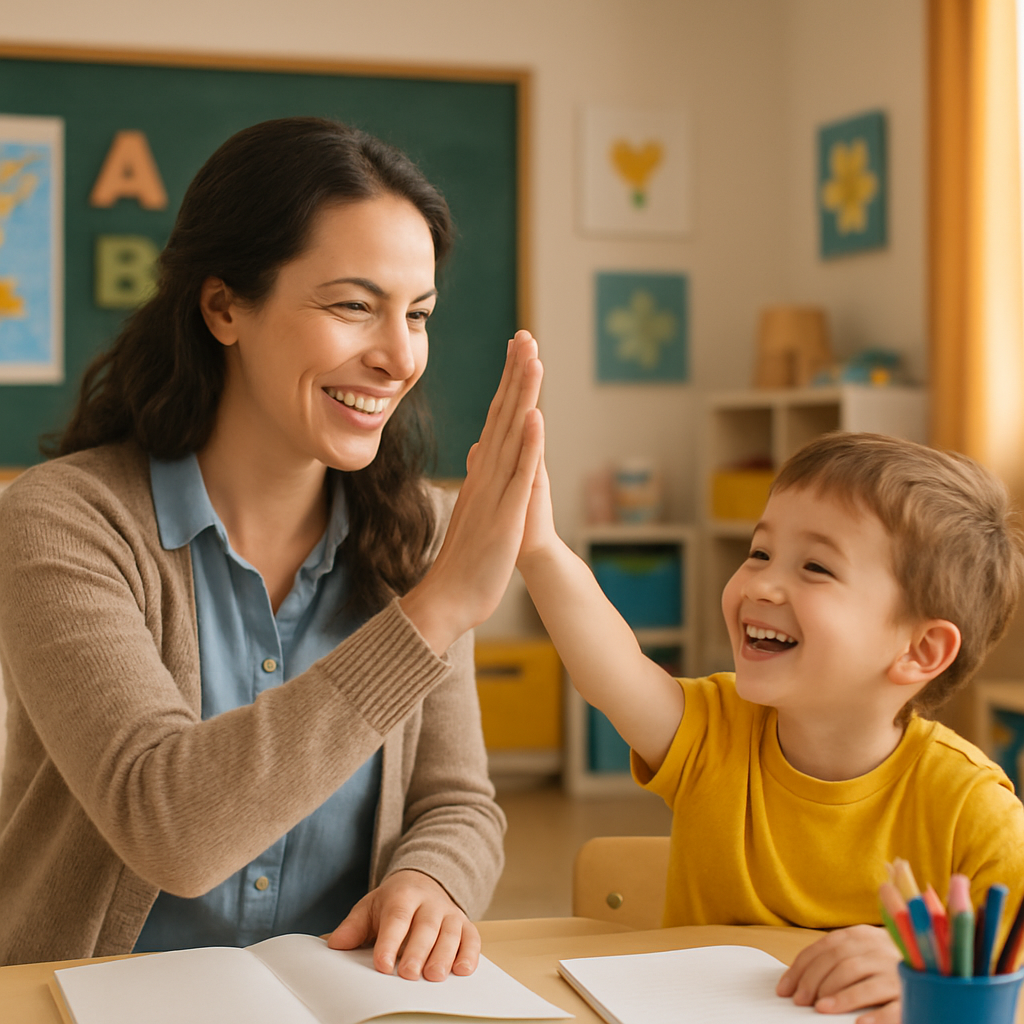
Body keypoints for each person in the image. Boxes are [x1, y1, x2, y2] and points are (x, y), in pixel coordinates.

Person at [0, 117, 544, 975]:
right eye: (354, 306)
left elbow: (456, 801)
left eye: (420, 314)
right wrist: (432, 613)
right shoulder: (63, 521)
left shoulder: (415, 534)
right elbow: (167, 824)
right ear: (223, 307)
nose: (400, 356)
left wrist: (432, 881)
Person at [515, 430, 1024, 1023]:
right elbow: (612, 671)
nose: (759, 583)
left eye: (815, 566)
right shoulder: (717, 729)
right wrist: (539, 549)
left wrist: (929, 975)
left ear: (921, 650)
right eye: (759, 553)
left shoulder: (972, 808)